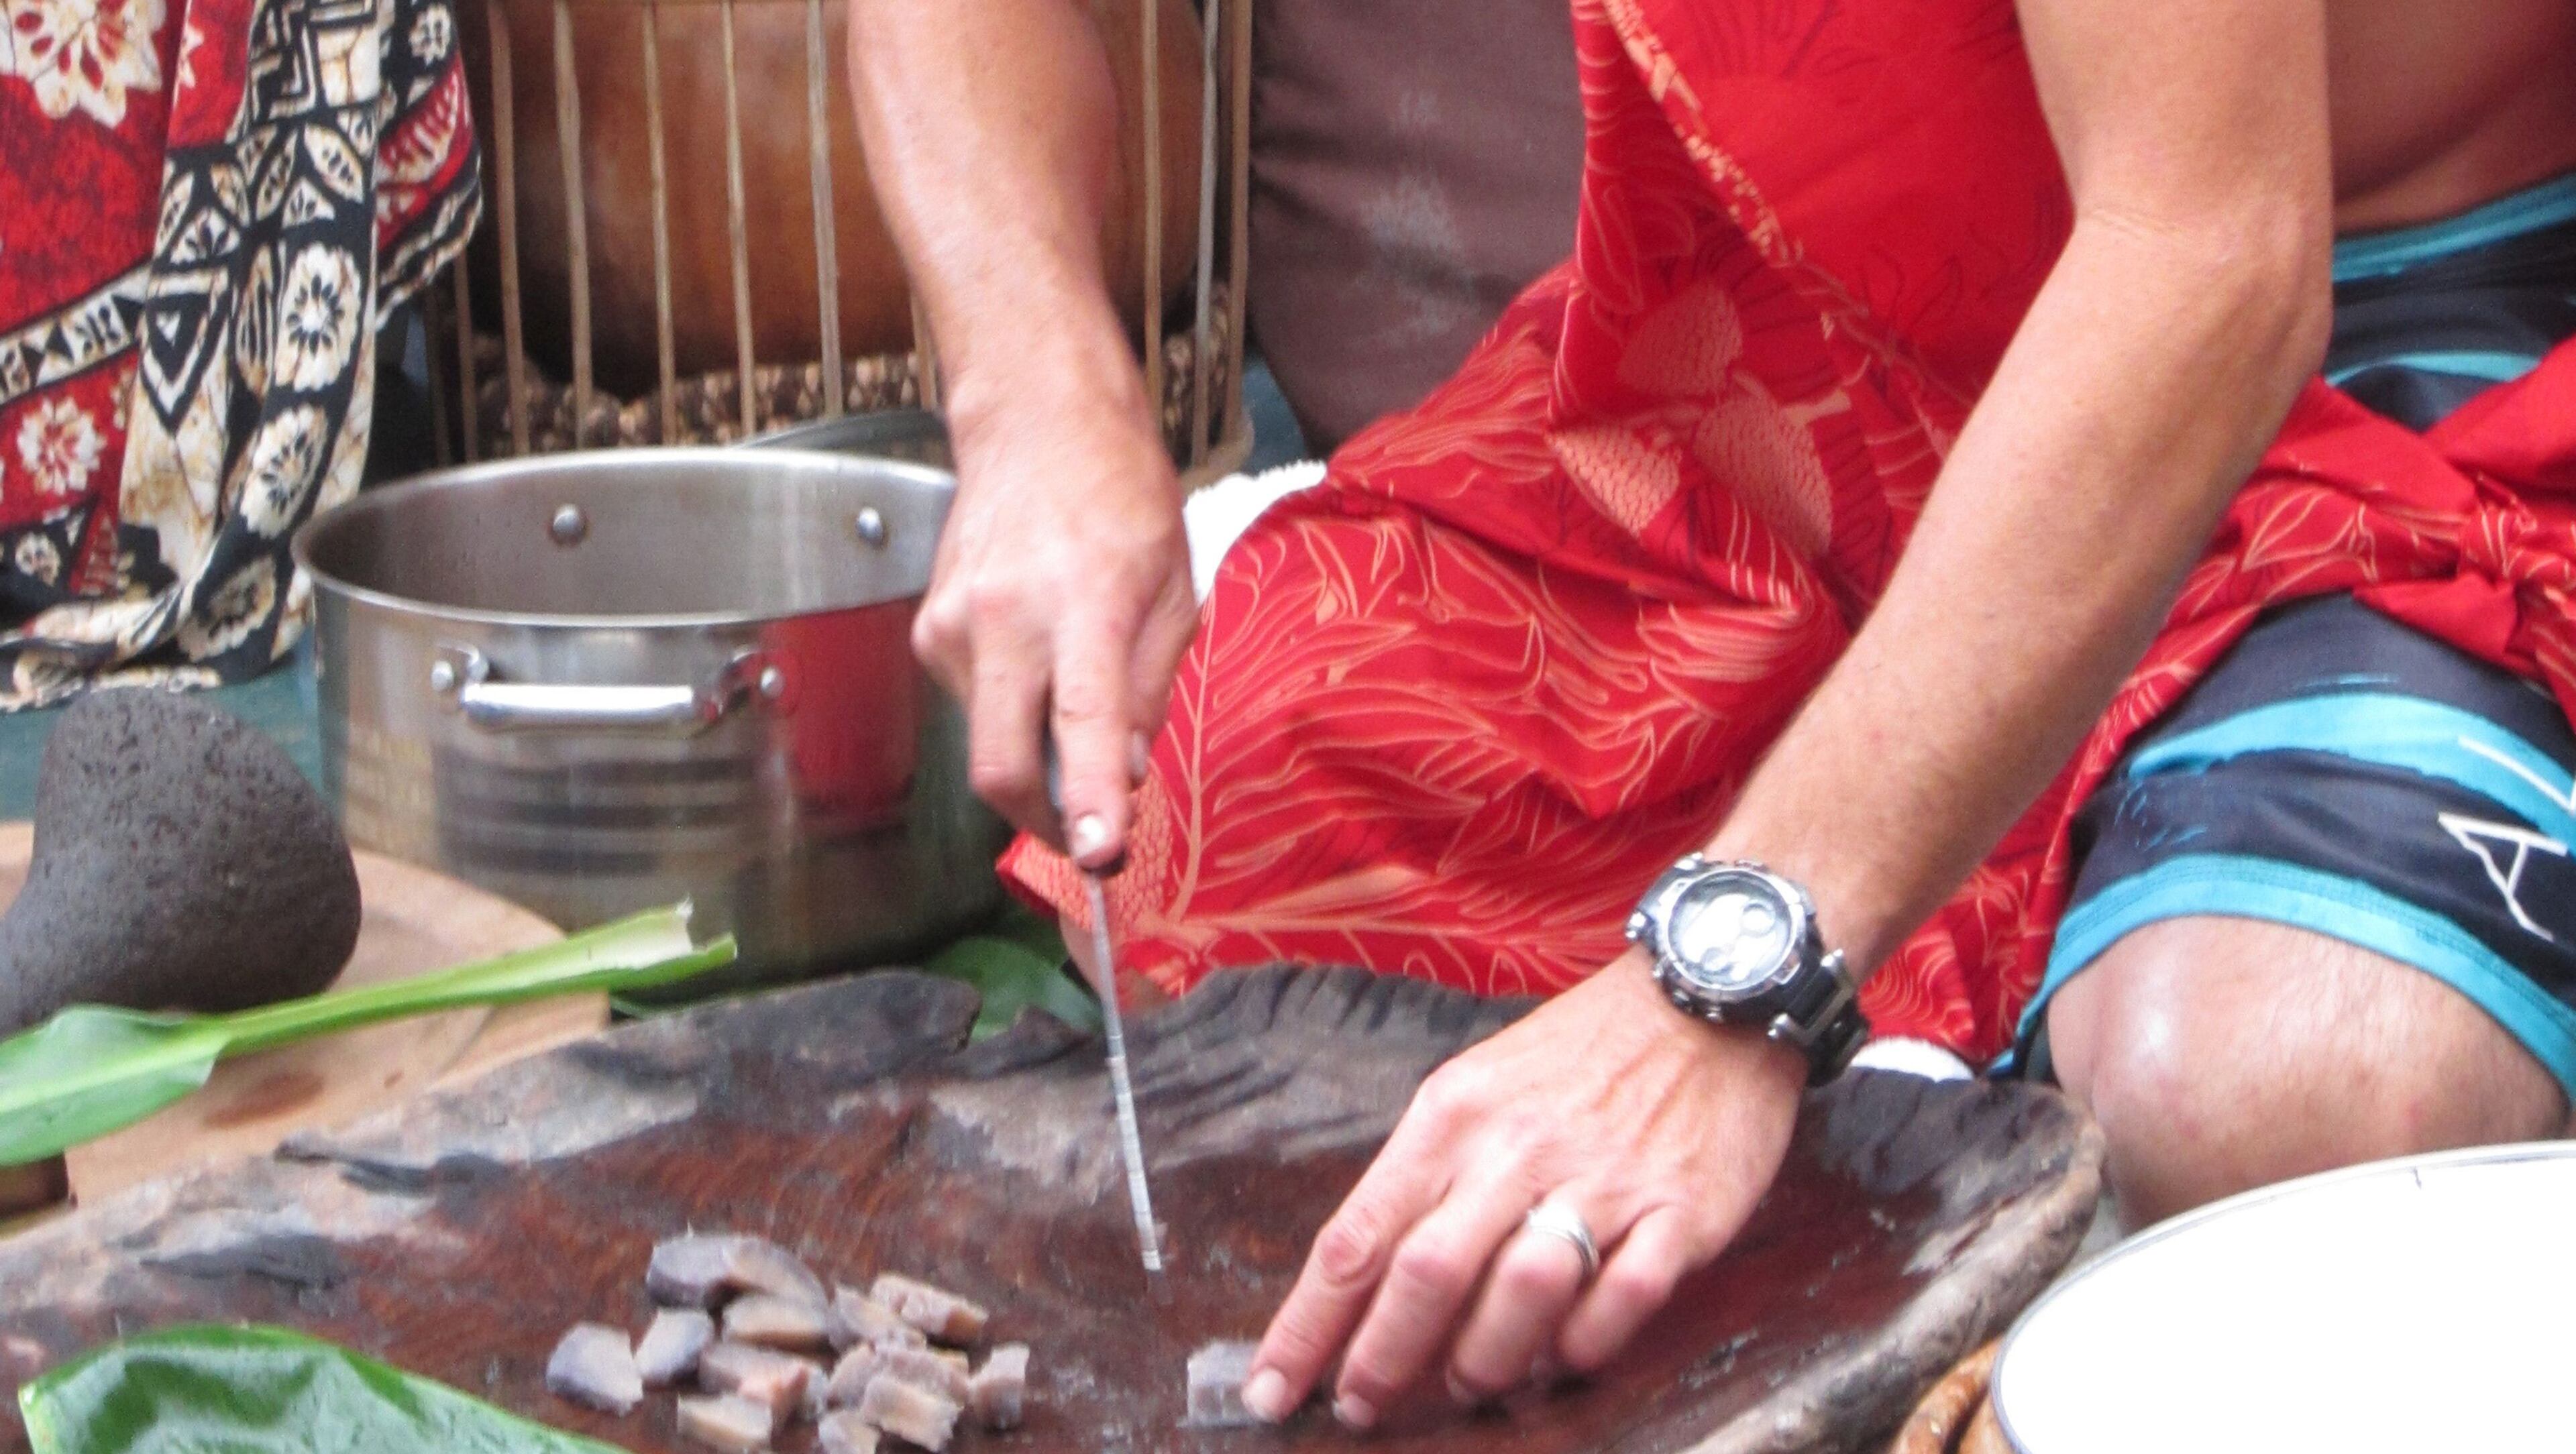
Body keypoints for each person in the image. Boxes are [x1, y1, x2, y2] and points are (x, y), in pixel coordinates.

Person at [848, 0, 2576, 1427]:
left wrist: (1730, 977)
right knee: (1189, 806)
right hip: (1800, 321)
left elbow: (2205, 262)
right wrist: (1038, 395)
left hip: (2337, 347)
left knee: (2276, 1096)